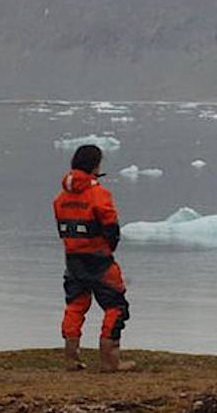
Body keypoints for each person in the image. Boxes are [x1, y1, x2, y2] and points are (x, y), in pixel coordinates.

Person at [53, 144, 135, 372]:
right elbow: (111, 227)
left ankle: (71, 357)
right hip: (99, 259)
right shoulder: (98, 194)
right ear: (95, 165)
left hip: (73, 258)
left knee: (75, 304)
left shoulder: (61, 197)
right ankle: (110, 360)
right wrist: (108, 248)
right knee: (116, 305)